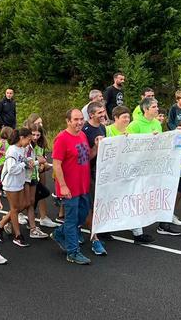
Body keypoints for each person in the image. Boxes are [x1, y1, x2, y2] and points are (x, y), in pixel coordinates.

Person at [126, 97, 181, 238]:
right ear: (146, 109)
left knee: (156, 194)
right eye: (154, 107)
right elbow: (129, 146)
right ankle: (137, 229)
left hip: (154, 167)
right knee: (138, 196)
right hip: (139, 167)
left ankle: (163, 224)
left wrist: (175, 134)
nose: (157, 109)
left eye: (157, 106)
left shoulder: (156, 123)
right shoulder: (134, 125)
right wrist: (149, 138)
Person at [51, 109, 94, 265]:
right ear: (68, 121)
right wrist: (63, 186)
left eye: (81, 119)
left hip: (83, 186)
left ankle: (59, 233)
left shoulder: (82, 135)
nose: (79, 122)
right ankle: (73, 252)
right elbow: (56, 164)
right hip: (69, 188)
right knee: (71, 219)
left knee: (82, 215)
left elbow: (87, 156)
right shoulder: (62, 138)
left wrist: (96, 147)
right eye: (76, 119)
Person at [0, 128, 32, 248]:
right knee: (15, 209)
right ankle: (17, 236)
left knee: (22, 205)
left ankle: (0, 224)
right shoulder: (12, 150)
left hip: (19, 182)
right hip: (11, 183)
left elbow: (23, 161)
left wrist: (29, 162)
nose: (29, 142)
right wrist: (24, 164)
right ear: (21, 138)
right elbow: (12, 169)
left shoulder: (21, 148)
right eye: (28, 139)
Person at [81, 102, 109, 255]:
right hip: (88, 171)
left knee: (97, 203)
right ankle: (94, 238)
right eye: (99, 112)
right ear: (91, 115)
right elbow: (84, 157)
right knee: (90, 205)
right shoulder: (85, 130)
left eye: (103, 111)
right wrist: (96, 147)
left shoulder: (102, 127)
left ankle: (77, 230)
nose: (103, 114)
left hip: (101, 170)